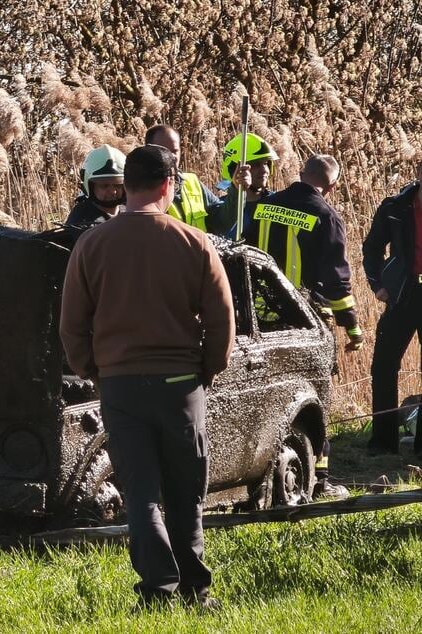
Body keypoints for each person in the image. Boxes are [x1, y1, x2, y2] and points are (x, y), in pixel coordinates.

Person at [60, 144, 235, 610]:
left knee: (141, 494)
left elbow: (71, 325)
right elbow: (222, 322)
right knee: (186, 492)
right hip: (181, 385)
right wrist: (206, 369)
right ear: (167, 185)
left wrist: (95, 370)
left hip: (120, 385)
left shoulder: (91, 244)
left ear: (126, 187)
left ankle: (158, 589)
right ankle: (196, 591)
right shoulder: (195, 243)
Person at [245, 154, 362, 497]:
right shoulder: (326, 216)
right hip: (303, 323)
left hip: (259, 320)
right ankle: (319, 481)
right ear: (333, 186)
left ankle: (261, 472)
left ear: (299, 174)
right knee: (315, 398)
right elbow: (337, 283)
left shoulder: (264, 206)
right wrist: (352, 328)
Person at [363, 162, 422, 456]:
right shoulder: (395, 206)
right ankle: (383, 442)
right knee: (383, 367)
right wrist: (378, 285)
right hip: (402, 294)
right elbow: (372, 248)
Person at [144, 125, 222, 232]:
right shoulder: (140, 188)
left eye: (175, 151)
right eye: (164, 150)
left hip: (195, 248)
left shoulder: (192, 182)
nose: (171, 156)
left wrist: (236, 189)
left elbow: (222, 221)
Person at [217, 133, 278, 239]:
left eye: (266, 163)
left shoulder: (278, 204)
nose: (264, 170)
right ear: (234, 169)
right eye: (255, 165)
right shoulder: (221, 211)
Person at [64, 144, 126, 226]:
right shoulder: (82, 219)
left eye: (118, 185)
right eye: (104, 186)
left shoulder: (130, 211)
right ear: (90, 187)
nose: (113, 191)